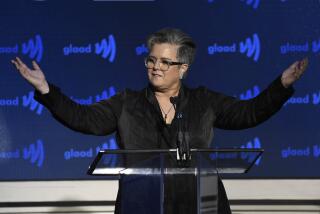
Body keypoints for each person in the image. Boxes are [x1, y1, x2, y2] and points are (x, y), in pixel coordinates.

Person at [12, 28, 308, 214]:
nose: (155, 67)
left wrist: (280, 86)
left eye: (165, 62)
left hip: (201, 204)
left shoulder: (204, 102)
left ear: (183, 68)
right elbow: (83, 118)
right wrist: (46, 90)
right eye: (151, 60)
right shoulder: (127, 102)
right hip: (141, 204)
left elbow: (249, 113)